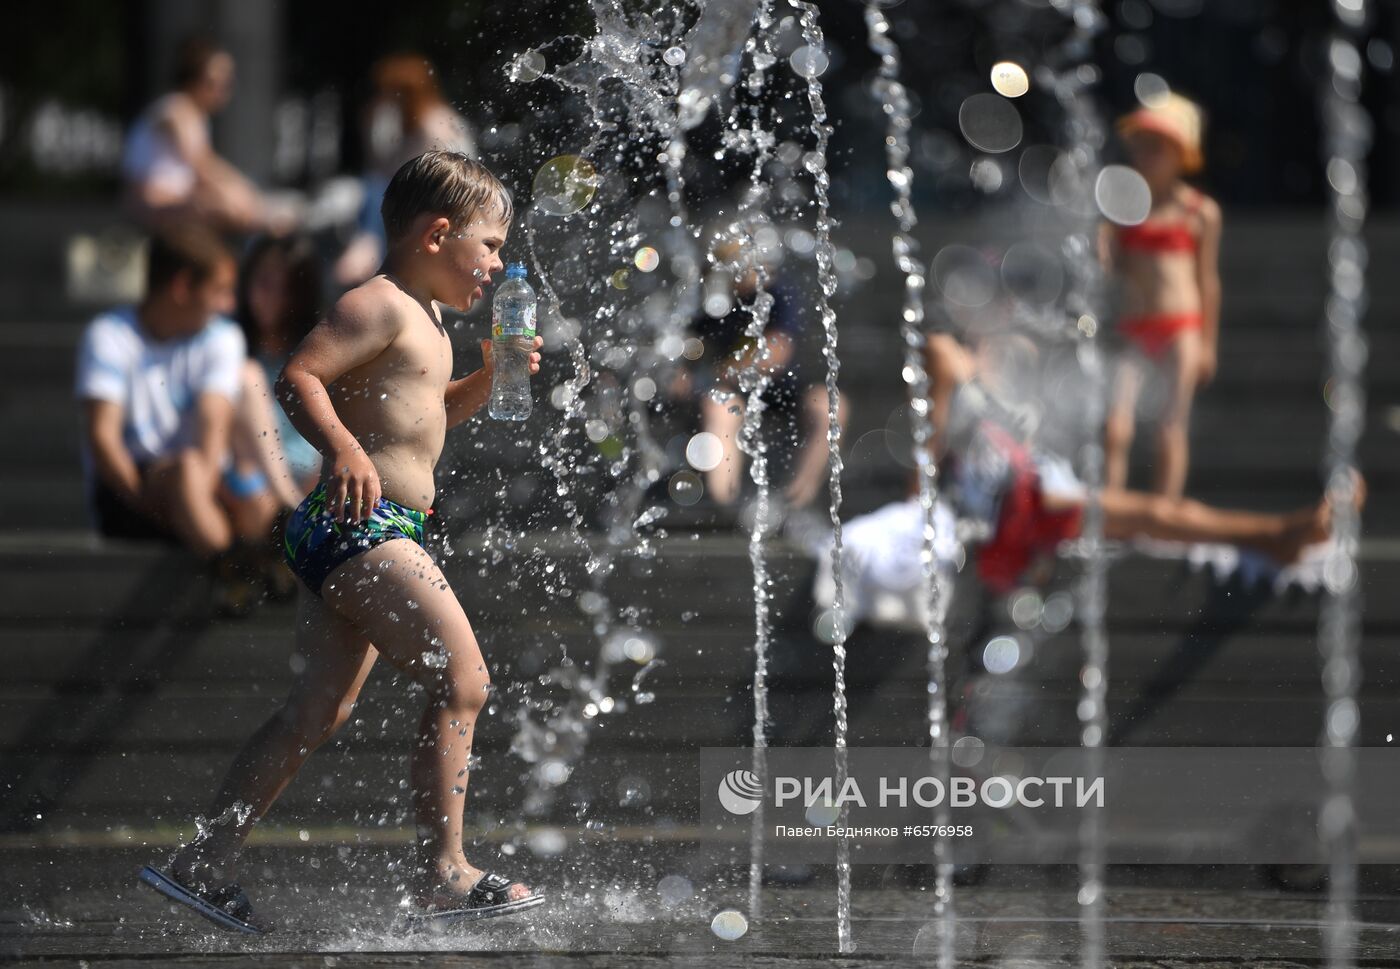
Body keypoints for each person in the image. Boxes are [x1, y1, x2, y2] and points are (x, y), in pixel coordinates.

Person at [139, 151, 546, 933]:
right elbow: (299, 375)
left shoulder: (427, 322)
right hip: (361, 524)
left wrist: (487, 384)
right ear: (436, 234)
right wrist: (347, 450)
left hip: (370, 529)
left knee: (313, 712)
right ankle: (443, 871)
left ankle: (203, 860)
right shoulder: (379, 304)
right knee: (463, 679)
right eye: (489, 245)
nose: (497, 265)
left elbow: (421, 423)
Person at [923, 328, 1354, 595]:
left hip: (1036, 489)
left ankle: (1278, 534)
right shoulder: (946, 360)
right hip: (1025, 503)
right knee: (1154, 513)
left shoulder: (978, 392)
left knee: (1154, 514)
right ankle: (1278, 536)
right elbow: (928, 458)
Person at [75, 227, 283, 614]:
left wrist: (193, 500)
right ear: (183, 286)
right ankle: (237, 568)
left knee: (247, 488)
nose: (226, 304)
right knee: (190, 470)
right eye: (220, 291)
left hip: (199, 485)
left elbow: (213, 427)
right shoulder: (109, 336)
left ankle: (241, 565)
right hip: (129, 490)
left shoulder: (220, 337)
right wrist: (150, 501)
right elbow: (104, 440)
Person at [678, 228, 848, 519]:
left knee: (831, 408)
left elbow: (777, 351)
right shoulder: (715, 301)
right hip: (729, 391)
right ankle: (725, 505)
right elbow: (687, 347)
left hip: (778, 388)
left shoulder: (777, 295)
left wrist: (728, 369)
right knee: (723, 411)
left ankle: (797, 499)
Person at [1100, 91, 1221, 500]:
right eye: (1142, 146)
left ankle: (1164, 513)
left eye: (1157, 148)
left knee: (1171, 427)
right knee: (1115, 425)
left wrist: (1207, 342)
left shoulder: (1198, 212)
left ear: (1180, 155)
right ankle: (1111, 508)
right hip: (1133, 329)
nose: (1146, 157)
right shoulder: (1122, 212)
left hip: (1179, 328)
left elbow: (1207, 280)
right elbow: (1107, 268)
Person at [334, 53, 478, 286]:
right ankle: (366, 245)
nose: (387, 101)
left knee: (376, 188)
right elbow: (381, 167)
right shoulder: (408, 123)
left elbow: (441, 179)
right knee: (372, 186)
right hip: (415, 198)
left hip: (442, 200)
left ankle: (366, 246)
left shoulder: (434, 128)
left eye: (392, 94)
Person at [121, 37, 275, 235]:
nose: (223, 90)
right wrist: (248, 197)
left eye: (227, 82)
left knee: (239, 205)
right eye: (216, 82)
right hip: (152, 206)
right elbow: (201, 165)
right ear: (194, 78)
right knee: (232, 206)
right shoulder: (175, 109)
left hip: (172, 203)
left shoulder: (192, 115)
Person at [228, 234, 325, 513]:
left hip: (310, 478)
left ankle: (297, 511)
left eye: (288, 288)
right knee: (247, 377)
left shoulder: (318, 349)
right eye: (266, 284)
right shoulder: (229, 344)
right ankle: (292, 508)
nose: (275, 299)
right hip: (250, 482)